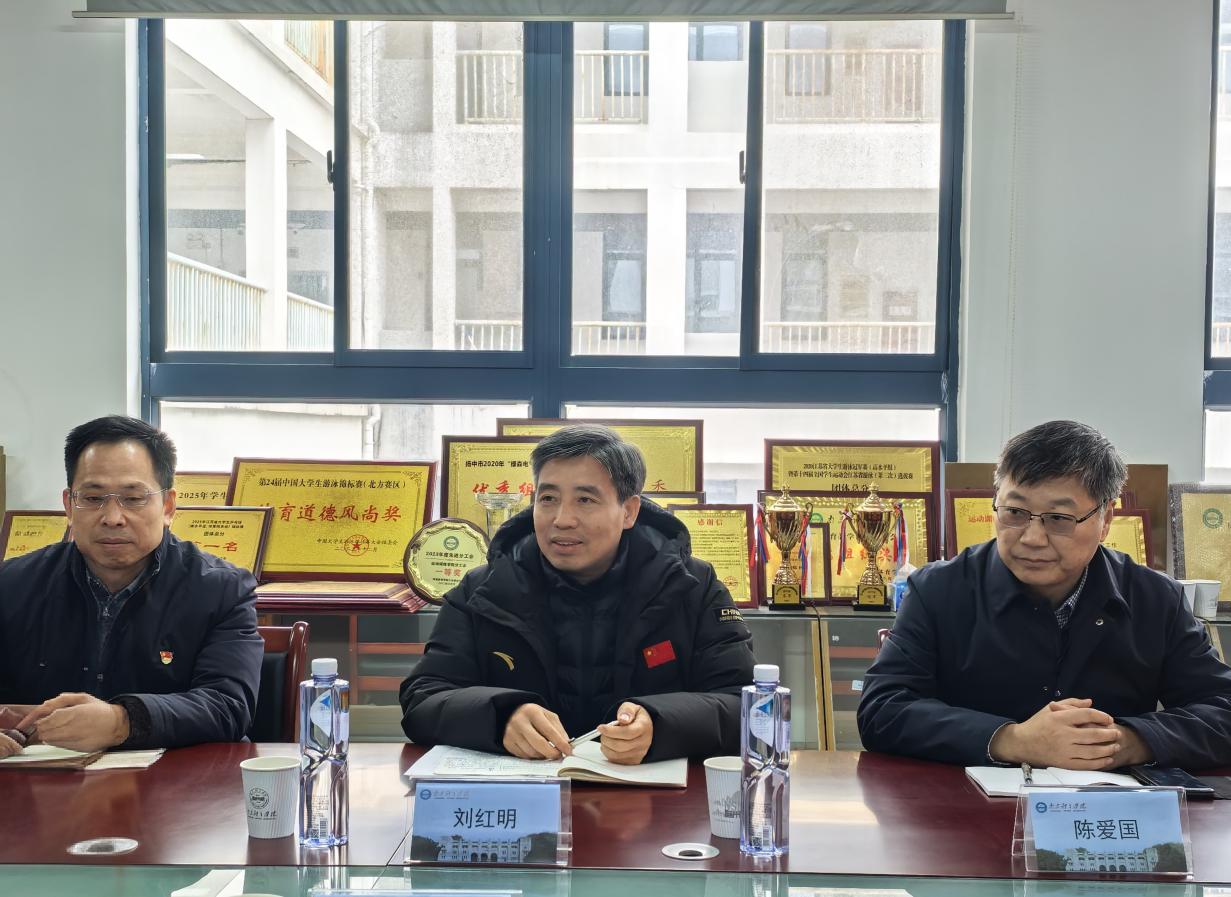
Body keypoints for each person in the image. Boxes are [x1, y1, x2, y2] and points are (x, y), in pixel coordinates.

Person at [858, 419, 1231, 770]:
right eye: (1015, 512)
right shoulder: (939, 590)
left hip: (1108, 805)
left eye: (1059, 519)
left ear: (1105, 520)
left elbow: (1222, 708)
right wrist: (1012, 739)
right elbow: (882, 709)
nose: (1032, 538)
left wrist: (1126, 741)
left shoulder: (1155, 599)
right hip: (966, 804)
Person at [400, 424, 754, 764]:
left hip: (652, 800)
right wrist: (500, 716)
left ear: (628, 511)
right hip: (523, 797)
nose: (562, 519)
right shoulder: (484, 590)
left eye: (585, 499)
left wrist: (661, 723)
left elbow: (746, 704)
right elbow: (424, 697)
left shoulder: (692, 586)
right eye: (548, 498)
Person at [0, 415, 262, 759]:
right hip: (40, 783)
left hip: (174, 785)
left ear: (167, 506)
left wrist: (121, 721)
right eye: (93, 498)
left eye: (133, 498)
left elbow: (227, 706)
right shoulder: (11, 585)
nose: (112, 517)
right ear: (69, 505)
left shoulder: (221, 590)